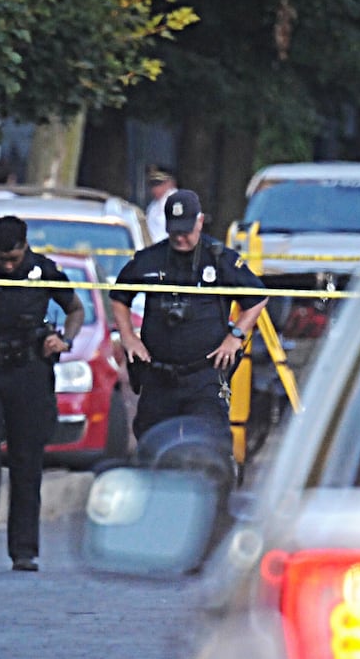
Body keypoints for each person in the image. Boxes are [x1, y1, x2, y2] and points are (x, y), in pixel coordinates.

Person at [0, 215, 85, 573]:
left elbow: (75, 309)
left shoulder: (45, 270)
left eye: (14, 258)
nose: (8, 265)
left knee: (27, 461)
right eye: (2, 258)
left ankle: (24, 550)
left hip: (29, 370)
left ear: (25, 247)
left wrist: (65, 340)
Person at [109, 188, 269, 461]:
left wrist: (236, 335)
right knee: (151, 450)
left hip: (204, 374)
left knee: (210, 450)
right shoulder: (151, 259)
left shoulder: (220, 260)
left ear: (200, 221)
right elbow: (119, 296)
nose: (181, 238)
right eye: (175, 231)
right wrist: (128, 336)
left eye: (186, 230)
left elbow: (257, 297)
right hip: (158, 375)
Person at [143, 167, 178, 243]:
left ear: (169, 183)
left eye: (159, 184)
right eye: (152, 185)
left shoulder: (177, 201)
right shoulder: (153, 206)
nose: (155, 189)